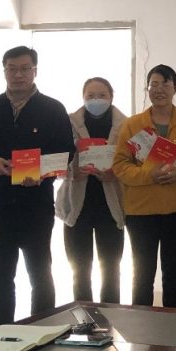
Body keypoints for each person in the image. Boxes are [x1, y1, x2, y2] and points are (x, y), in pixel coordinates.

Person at [0, 46, 74, 326]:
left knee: (40, 274)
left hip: (36, 204)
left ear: (35, 71)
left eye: (25, 69)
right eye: (12, 69)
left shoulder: (53, 109)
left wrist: (43, 173)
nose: (18, 75)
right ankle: (1, 334)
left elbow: (67, 151)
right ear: (4, 71)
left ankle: (43, 331)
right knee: (0, 276)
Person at [112, 64, 176, 308]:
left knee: (174, 273)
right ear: (147, 89)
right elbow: (120, 166)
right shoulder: (133, 125)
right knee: (142, 275)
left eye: (165, 83)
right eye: (153, 84)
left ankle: (173, 323)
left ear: (175, 88)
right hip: (141, 211)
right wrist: (148, 174)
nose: (159, 89)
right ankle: (142, 324)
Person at [55, 77, 127, 304]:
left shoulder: (126, 125)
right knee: (79, 270)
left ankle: (111, 316)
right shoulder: (67, 123)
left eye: (102, 95)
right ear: (83, 98)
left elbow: (135, 161)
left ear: (111, 97)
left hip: (111, 206)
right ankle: (84, 317)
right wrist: (72, 170)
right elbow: (55, 159)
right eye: (90, 96)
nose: (96, 100)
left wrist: (116, 172)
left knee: (111, 270)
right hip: (77, 206)